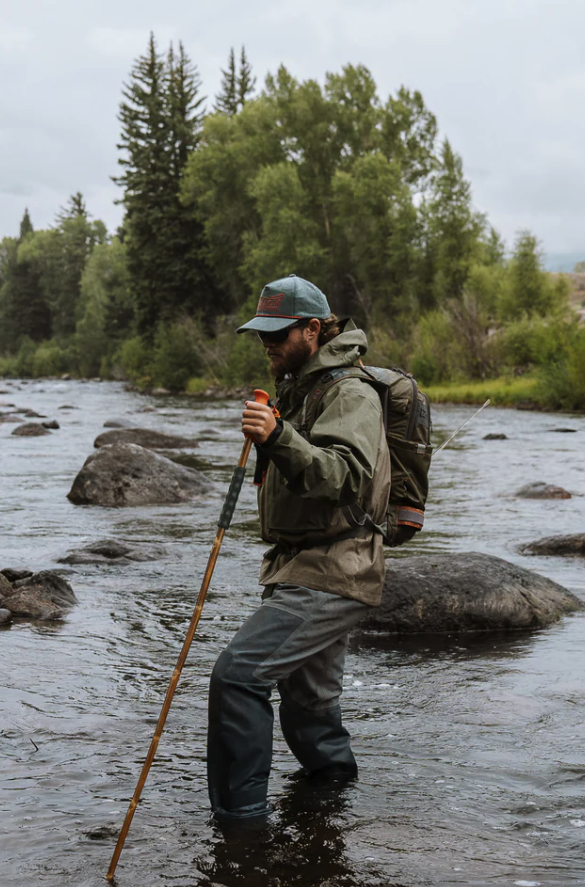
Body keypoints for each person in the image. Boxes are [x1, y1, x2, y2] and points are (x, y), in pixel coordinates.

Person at [207, 274, 391, 826]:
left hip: (337, 568)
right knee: (308, 696)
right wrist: (279, 430)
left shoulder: (350, 393)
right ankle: (330, 793)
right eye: (261, 333)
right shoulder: (303, 388)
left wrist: (277, 435)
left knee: (238, 675)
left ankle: (240, 825)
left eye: (278, 333)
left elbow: (346, 476)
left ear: (313, 329)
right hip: (303, 563)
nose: (266, 343)